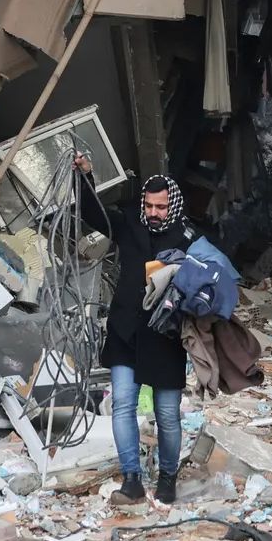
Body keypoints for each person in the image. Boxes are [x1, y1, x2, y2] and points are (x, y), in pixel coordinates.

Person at [75, 153, 191, 505]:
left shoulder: (187, 235)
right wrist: (85, 177)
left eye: (160, 206)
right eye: (149, 205)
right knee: (123, 404)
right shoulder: (129, 223)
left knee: (167, 414)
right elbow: (91, 214)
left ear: (171, 205)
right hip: (126, 329)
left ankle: (168, 477)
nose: (154, 212)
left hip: (166, 336)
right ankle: (132, 480)